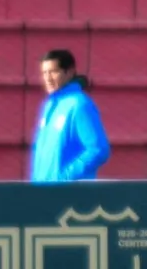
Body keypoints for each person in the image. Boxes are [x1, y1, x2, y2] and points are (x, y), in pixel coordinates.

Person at [30, 49, 110, 183]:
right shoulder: (50, 105)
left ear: (70, 72)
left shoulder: (79, 105)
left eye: (54, 72)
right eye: (44, 73)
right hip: (42, 193)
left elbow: (98, 150)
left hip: (67, 196)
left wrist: (64, 178)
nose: (48, 78)